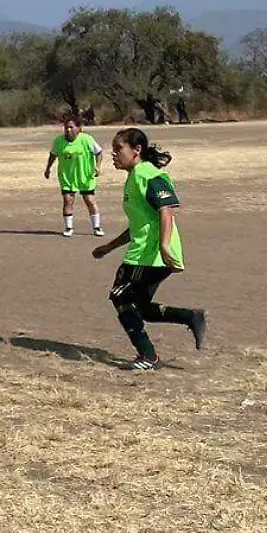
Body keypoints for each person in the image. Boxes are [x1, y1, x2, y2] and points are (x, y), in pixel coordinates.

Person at [92, 128, 207, 370]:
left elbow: (166, 211)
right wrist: (109, 247)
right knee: (141, 308)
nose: (114, 154)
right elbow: (140, 224)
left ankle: (148, 356)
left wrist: (164, 245)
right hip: (146, 252)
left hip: (151, 255)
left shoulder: (149, 175)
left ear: (137, 150)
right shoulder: (134, 177)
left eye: (118, 149)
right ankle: (190, 316)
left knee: (120, 296)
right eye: (113, 150)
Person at [43, 117, 104, 237]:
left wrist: (97, 167)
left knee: (89, 200)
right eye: (66, 127)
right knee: (68, 200)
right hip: (67, 177)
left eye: (71, 127)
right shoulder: (59, 141)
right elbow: (53, 155)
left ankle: (96, 227)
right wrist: (48, 168)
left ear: (78, 128)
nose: (68, 130)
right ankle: (68, 227)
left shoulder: (87, 139)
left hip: (85, 176)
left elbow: (99, 152)